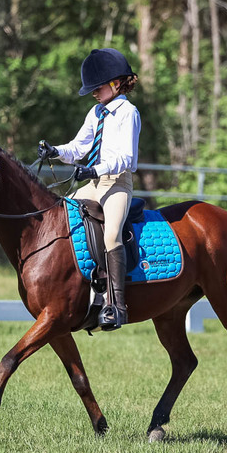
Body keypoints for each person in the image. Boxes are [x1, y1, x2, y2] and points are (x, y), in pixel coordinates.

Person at [37, 48, 140, 331]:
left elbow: (127, 158)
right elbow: (78, 148)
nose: (94, 93)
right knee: (60, 215)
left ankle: (116, 306)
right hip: (93, 184)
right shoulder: (96, 112)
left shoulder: (128, 113)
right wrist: (55, 151)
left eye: (98, 87)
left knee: (111, 235)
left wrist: (94, 170)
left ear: (116, 84)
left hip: (117, 184)